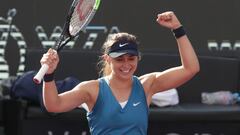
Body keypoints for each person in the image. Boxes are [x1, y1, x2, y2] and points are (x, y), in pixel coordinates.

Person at [40, 11, 200, 135]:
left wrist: (177, 29)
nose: (126, 65)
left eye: (131, 58)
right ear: (107, 59)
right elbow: (54, 105)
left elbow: (191, 69)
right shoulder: (92, 90)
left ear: (138, 58)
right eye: (119, 59)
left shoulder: (147, 85)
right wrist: (49, 75)